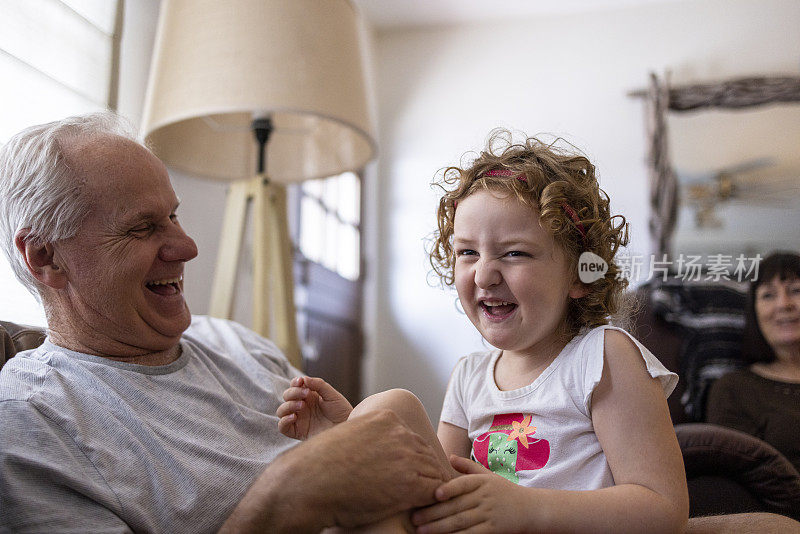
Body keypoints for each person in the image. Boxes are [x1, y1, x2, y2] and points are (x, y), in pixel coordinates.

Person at [0, 112, 451, 533]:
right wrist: (289, 494)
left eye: (173, 216)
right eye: (142, 227)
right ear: (45, 256)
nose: (187, 247)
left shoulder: (235, 343)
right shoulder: (34, 418)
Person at [280, 130, 690, 532]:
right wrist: (351, 435)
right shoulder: (470, 376)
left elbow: (663, 507)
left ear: (581, 274)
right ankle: (340, 453)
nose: (484, 274)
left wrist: (527, 509)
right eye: (468, 253)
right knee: (390, 410)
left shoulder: (602, 357)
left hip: (550, 524)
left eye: (514, 253)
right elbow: (426, 487)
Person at [705, 251, 800, 473]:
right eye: (768, 295)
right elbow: (737, 479)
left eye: (796, 291)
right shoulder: (734, 390)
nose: (784, 304)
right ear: (754, 314)